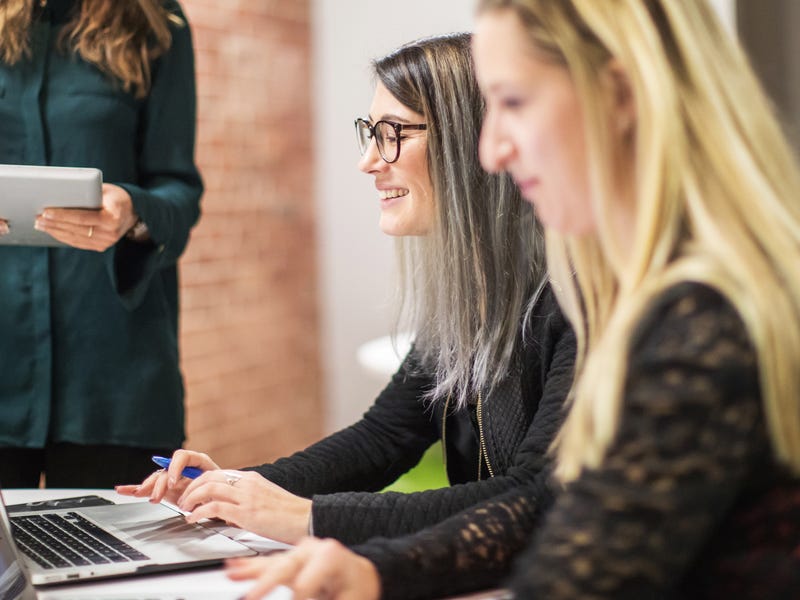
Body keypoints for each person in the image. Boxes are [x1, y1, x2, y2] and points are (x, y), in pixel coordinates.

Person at [223, 0, 800, 599]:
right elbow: (552, 507)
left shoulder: (696, 317)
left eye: (514, 103)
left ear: (622, 99)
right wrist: (375, 568)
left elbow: (555, 529)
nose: (492, 150)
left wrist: (321, 526)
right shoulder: (660, 295)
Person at [118, 32, 575, 551]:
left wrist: (313, 518)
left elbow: (534, 497)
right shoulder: (474, 294)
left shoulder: (575, 295)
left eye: (392, 132)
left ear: (473, 140)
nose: (369, 161)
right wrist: (236, 487)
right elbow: (386, 437)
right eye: (370, 132)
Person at [0, 0, 202, 487]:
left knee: (112, 559)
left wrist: (132, 211)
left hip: (114, 376)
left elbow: (179, 189)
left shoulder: (156, 22)